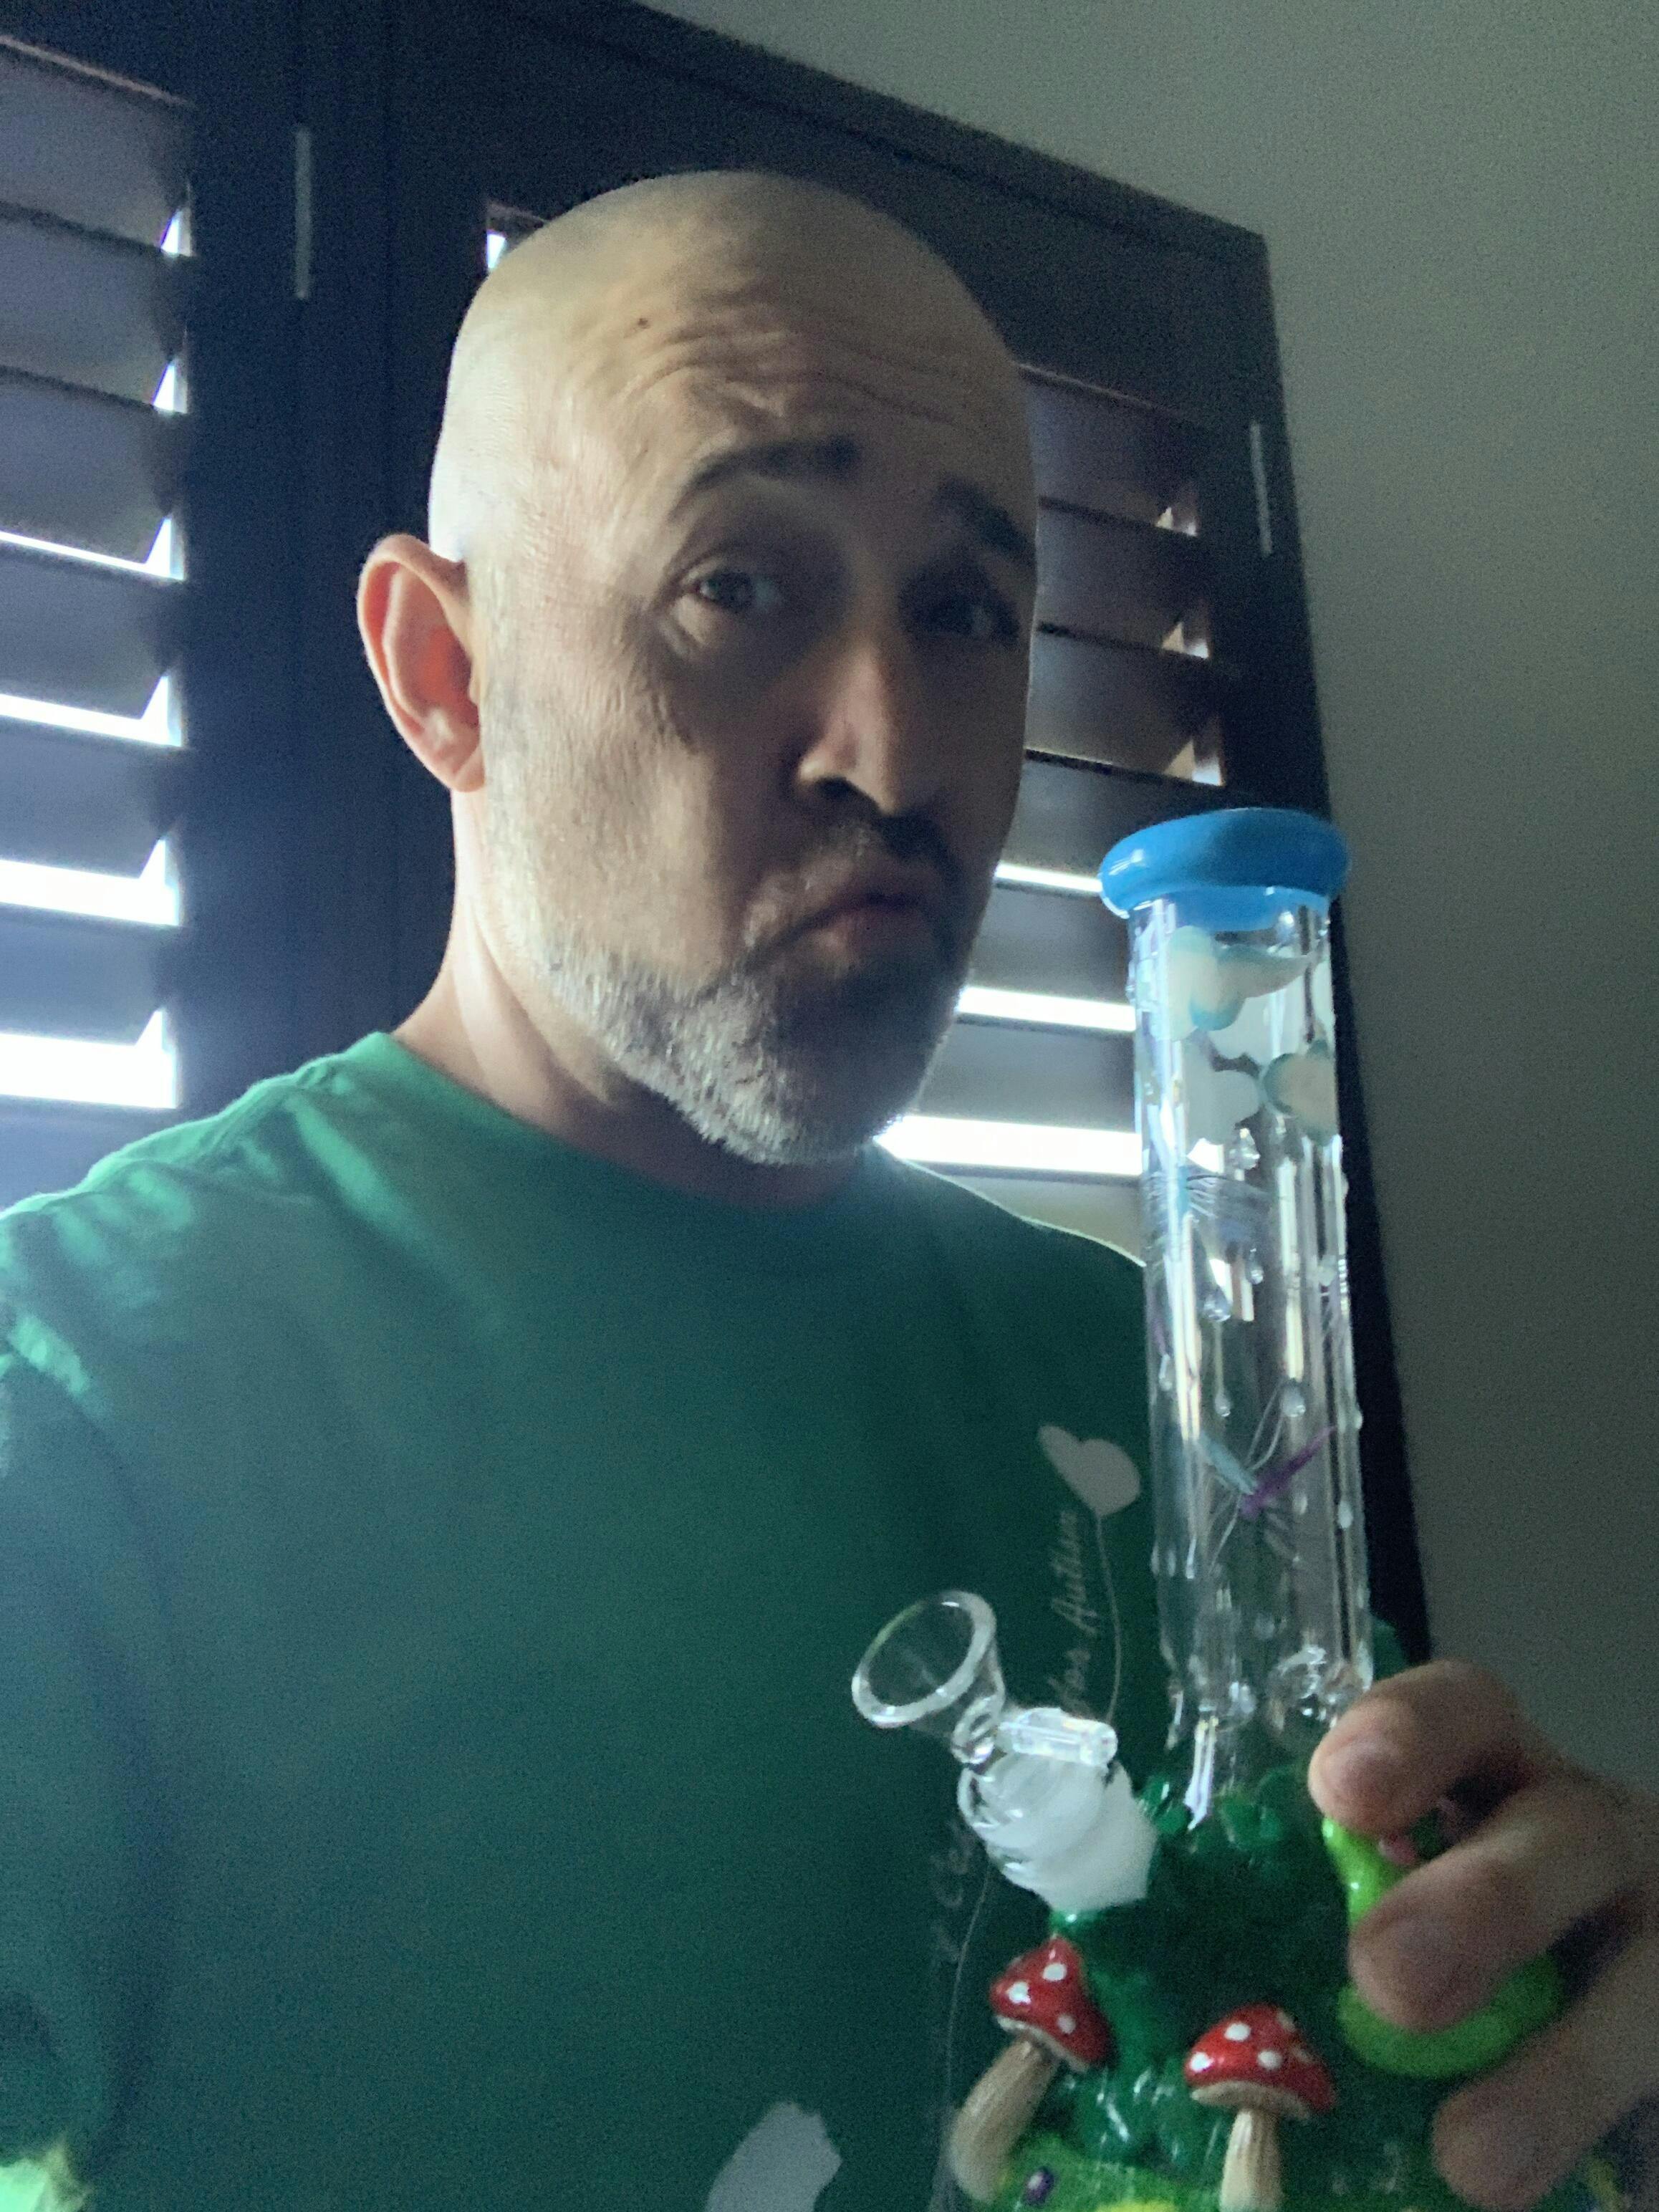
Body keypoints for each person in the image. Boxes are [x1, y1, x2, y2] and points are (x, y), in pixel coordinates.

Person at [0, 172, 1651, 2212]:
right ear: (445, 670)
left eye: (963, 615)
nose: (893, 751)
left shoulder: (1142, 1389)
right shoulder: (77, 1407)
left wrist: (1558, 2043)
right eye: (739, 584)